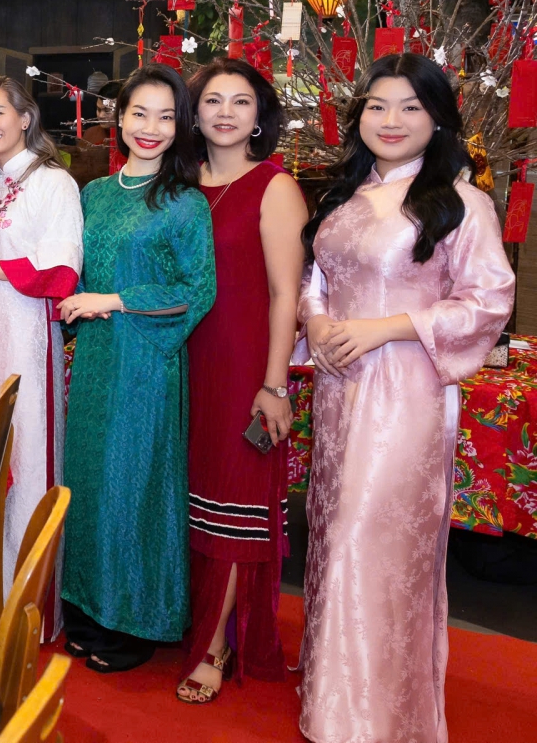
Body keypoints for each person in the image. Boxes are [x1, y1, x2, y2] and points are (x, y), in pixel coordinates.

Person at [299, 53, 513, 743]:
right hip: (339, 389)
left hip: (406, 393)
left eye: (411, 107)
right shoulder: (343, 198)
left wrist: (385, 327)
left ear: (438, 118)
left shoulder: (459, 202)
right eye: (377, 106)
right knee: (333, 533)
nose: (391, 120)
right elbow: (315, 280)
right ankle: (333, 705)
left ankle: (376, 720)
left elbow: (488, 301)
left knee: (374, 542)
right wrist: (318, 322)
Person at [58, 64, 215, 673]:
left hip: (148, 364)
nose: (151, 127)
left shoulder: (185, 202)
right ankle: (87, 609)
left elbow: (197, 290)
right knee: (89, 483)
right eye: (140, 114)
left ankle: (134, 621)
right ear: (118, 119)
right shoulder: (93, 194)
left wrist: (117, 300)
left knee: (133, 486)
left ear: (181, 127)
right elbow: (73, 272)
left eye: (166, 117)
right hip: (95, 361)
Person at [176, 59, 306, 702]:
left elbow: (287, 295)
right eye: (212, 100)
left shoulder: (274, 186)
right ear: (194, 113)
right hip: (182, 360)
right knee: (192, 496)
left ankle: (215, 646)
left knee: (233, 497)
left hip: (243, 366)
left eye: (241, 101)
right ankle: (196, 620)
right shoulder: (179, 182)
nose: (225, 112)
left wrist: (274, 385)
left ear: (259, 116)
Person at [0, 75, 82, 609]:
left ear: (26, 118)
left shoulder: (54, 182)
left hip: (25, 331)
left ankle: (25, 606)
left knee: (26, 455)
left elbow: (64, 268)